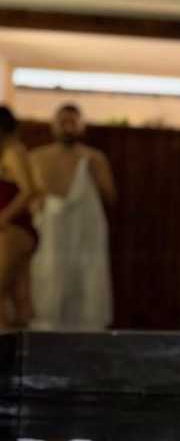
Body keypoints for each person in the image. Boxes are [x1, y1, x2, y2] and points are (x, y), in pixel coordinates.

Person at [28, 102, 115, 330]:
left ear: (81, 126)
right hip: (50, 235)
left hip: (85, 234)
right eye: (63, 122)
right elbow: (27, 196)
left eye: (73, 122)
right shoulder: (36, 158)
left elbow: (110, 196)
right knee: (48, 281)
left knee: (87, 282)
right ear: (53, 125)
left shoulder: (94, 158)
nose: (68, 127)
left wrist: (94, 175)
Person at [0, 105, 38, 328]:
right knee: (19, 295)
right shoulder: (11, 151)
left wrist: (4, 217)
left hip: (15, 230)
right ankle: (22, 345)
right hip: (17, 229)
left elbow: (30, 190)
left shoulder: (12, 151)